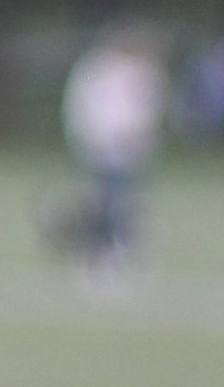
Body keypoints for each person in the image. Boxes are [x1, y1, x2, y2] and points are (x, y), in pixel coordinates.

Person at [51, 25, 167, 272]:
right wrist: (88, 136)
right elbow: (81, 104)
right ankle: (95, 252)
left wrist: (140, 137)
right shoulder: (94, 69)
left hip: (129, 150)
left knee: (125, 202)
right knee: (100, 199)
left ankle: (120, 251)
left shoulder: (142, 71)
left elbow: (148, 109)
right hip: (99, 147)